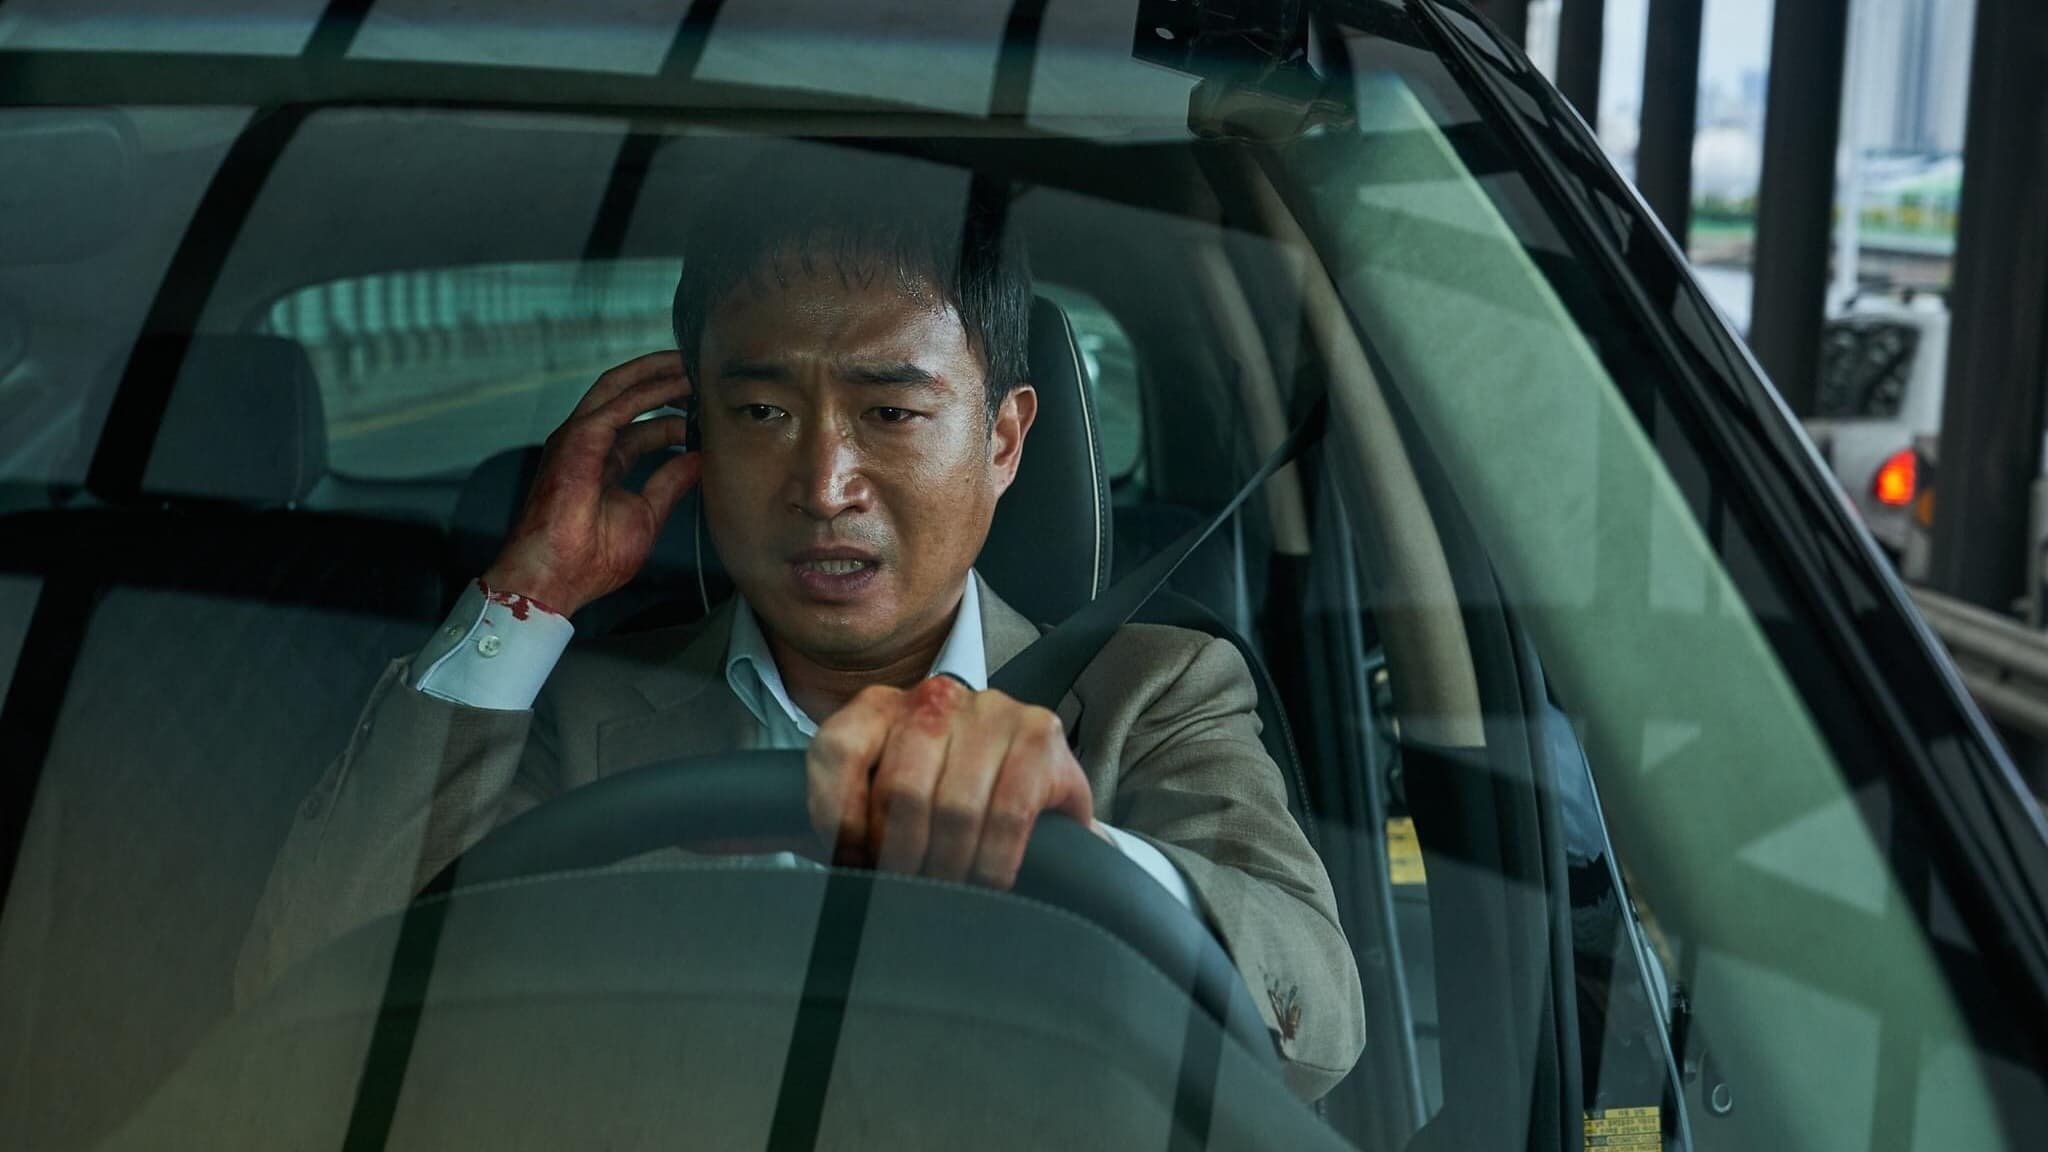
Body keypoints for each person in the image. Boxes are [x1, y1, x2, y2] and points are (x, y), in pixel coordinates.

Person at [237, 151, 1365, 1098]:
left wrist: (1080, 853)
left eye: (892, 411)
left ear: (1004, 440)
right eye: (763, 411)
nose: (824, 486)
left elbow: (1314, 1018)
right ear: (696, 433)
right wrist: (523, 599)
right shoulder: (574, 713)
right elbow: (309, 993)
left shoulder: (1152, 694)